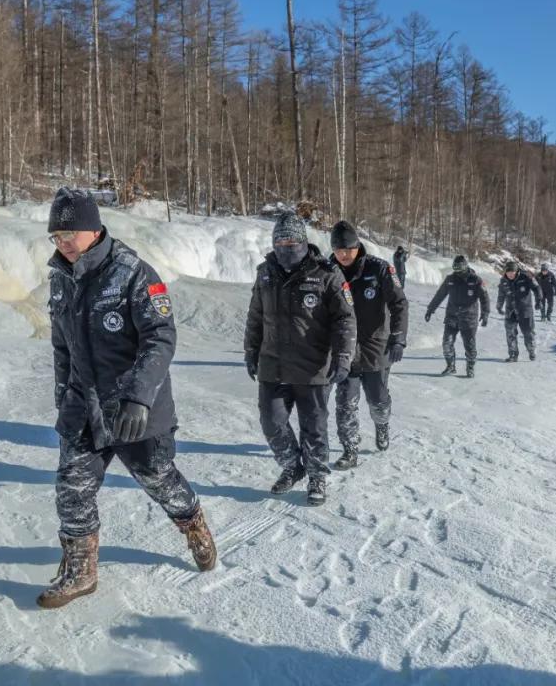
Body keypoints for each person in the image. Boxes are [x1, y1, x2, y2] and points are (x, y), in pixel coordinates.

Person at [39, 187, 216, 609]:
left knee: (159, 479)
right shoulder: (61, 277)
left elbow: (160, 338)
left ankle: (192, 522)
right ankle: (81, 571)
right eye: (56, 235)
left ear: (94, 229)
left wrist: (139, 397)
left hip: (134, 407)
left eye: (69, 233)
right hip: (84, 406)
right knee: (72, 486)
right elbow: (62, 345)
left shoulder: (134, 273)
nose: (62, 242)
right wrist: (64, 395)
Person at [244, 212, 357, 506]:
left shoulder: (327, 274)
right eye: (280, 240)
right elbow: (255, 315)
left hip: (313, 367)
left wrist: (343, 357)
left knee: (314, 426)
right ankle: (293, 466)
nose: (286, 245)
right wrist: (250, 350)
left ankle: (317, 475)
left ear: (304, 241)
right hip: (273, 363)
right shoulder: (265, 272)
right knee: (272, 422)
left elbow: (345, 320)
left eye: (292, 240)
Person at [327, 221, 409, 470]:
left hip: (376, 347)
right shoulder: (328, 270)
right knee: (345, 403)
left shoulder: (379, 269)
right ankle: (350, 449)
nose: (344, 254)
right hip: (345, 348)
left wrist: (398, 338)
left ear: (357, 246)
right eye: (339, 250)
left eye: (348, 249)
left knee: (378, 399)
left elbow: (399, 304)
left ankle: (381, 424)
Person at [425, 255, 490, 377]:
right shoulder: (450, 279)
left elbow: (485, 298)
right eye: (455, 269)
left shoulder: (476, 280)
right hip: (452, 317)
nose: (457, 271)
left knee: (469, 346)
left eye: (459, 268)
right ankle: (450, 366)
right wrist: (430, 309)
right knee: (446, 343)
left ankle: (470, 367)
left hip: (469, 318)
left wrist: (485, 314)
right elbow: (440, 294)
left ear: (465, 266)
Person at [496, 260, 542, 362]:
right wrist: (499, 306)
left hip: (525, 310)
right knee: (510, 333)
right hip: (510, 311)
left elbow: (537, 288)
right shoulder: (503, 281)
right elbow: (501, 295)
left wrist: (539, 301)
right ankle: (513, 354)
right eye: (508, 272)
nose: (510, 274)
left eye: (512, 272)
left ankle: (531, 350)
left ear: (516, 271)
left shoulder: (526, 277)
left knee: (528, 333)